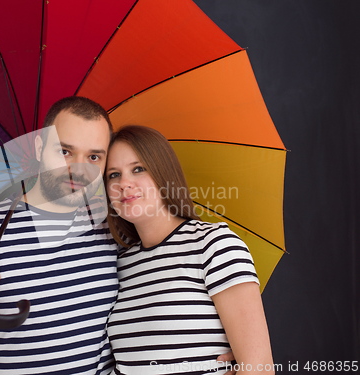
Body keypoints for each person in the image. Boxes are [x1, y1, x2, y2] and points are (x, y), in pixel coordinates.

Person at [0, 97, 235, 375]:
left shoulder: (116, 227)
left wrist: (217, 359)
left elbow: (168, 287)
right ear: (38, 147)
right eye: (64, 151)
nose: (78, 169)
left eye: (93, 157)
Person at [104, 125, 274, 375]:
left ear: (163, 173)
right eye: (113, 175)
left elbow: (259, 369)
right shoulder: (121, 264)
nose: (124, 183)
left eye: (138, 169)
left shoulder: (213, 244)